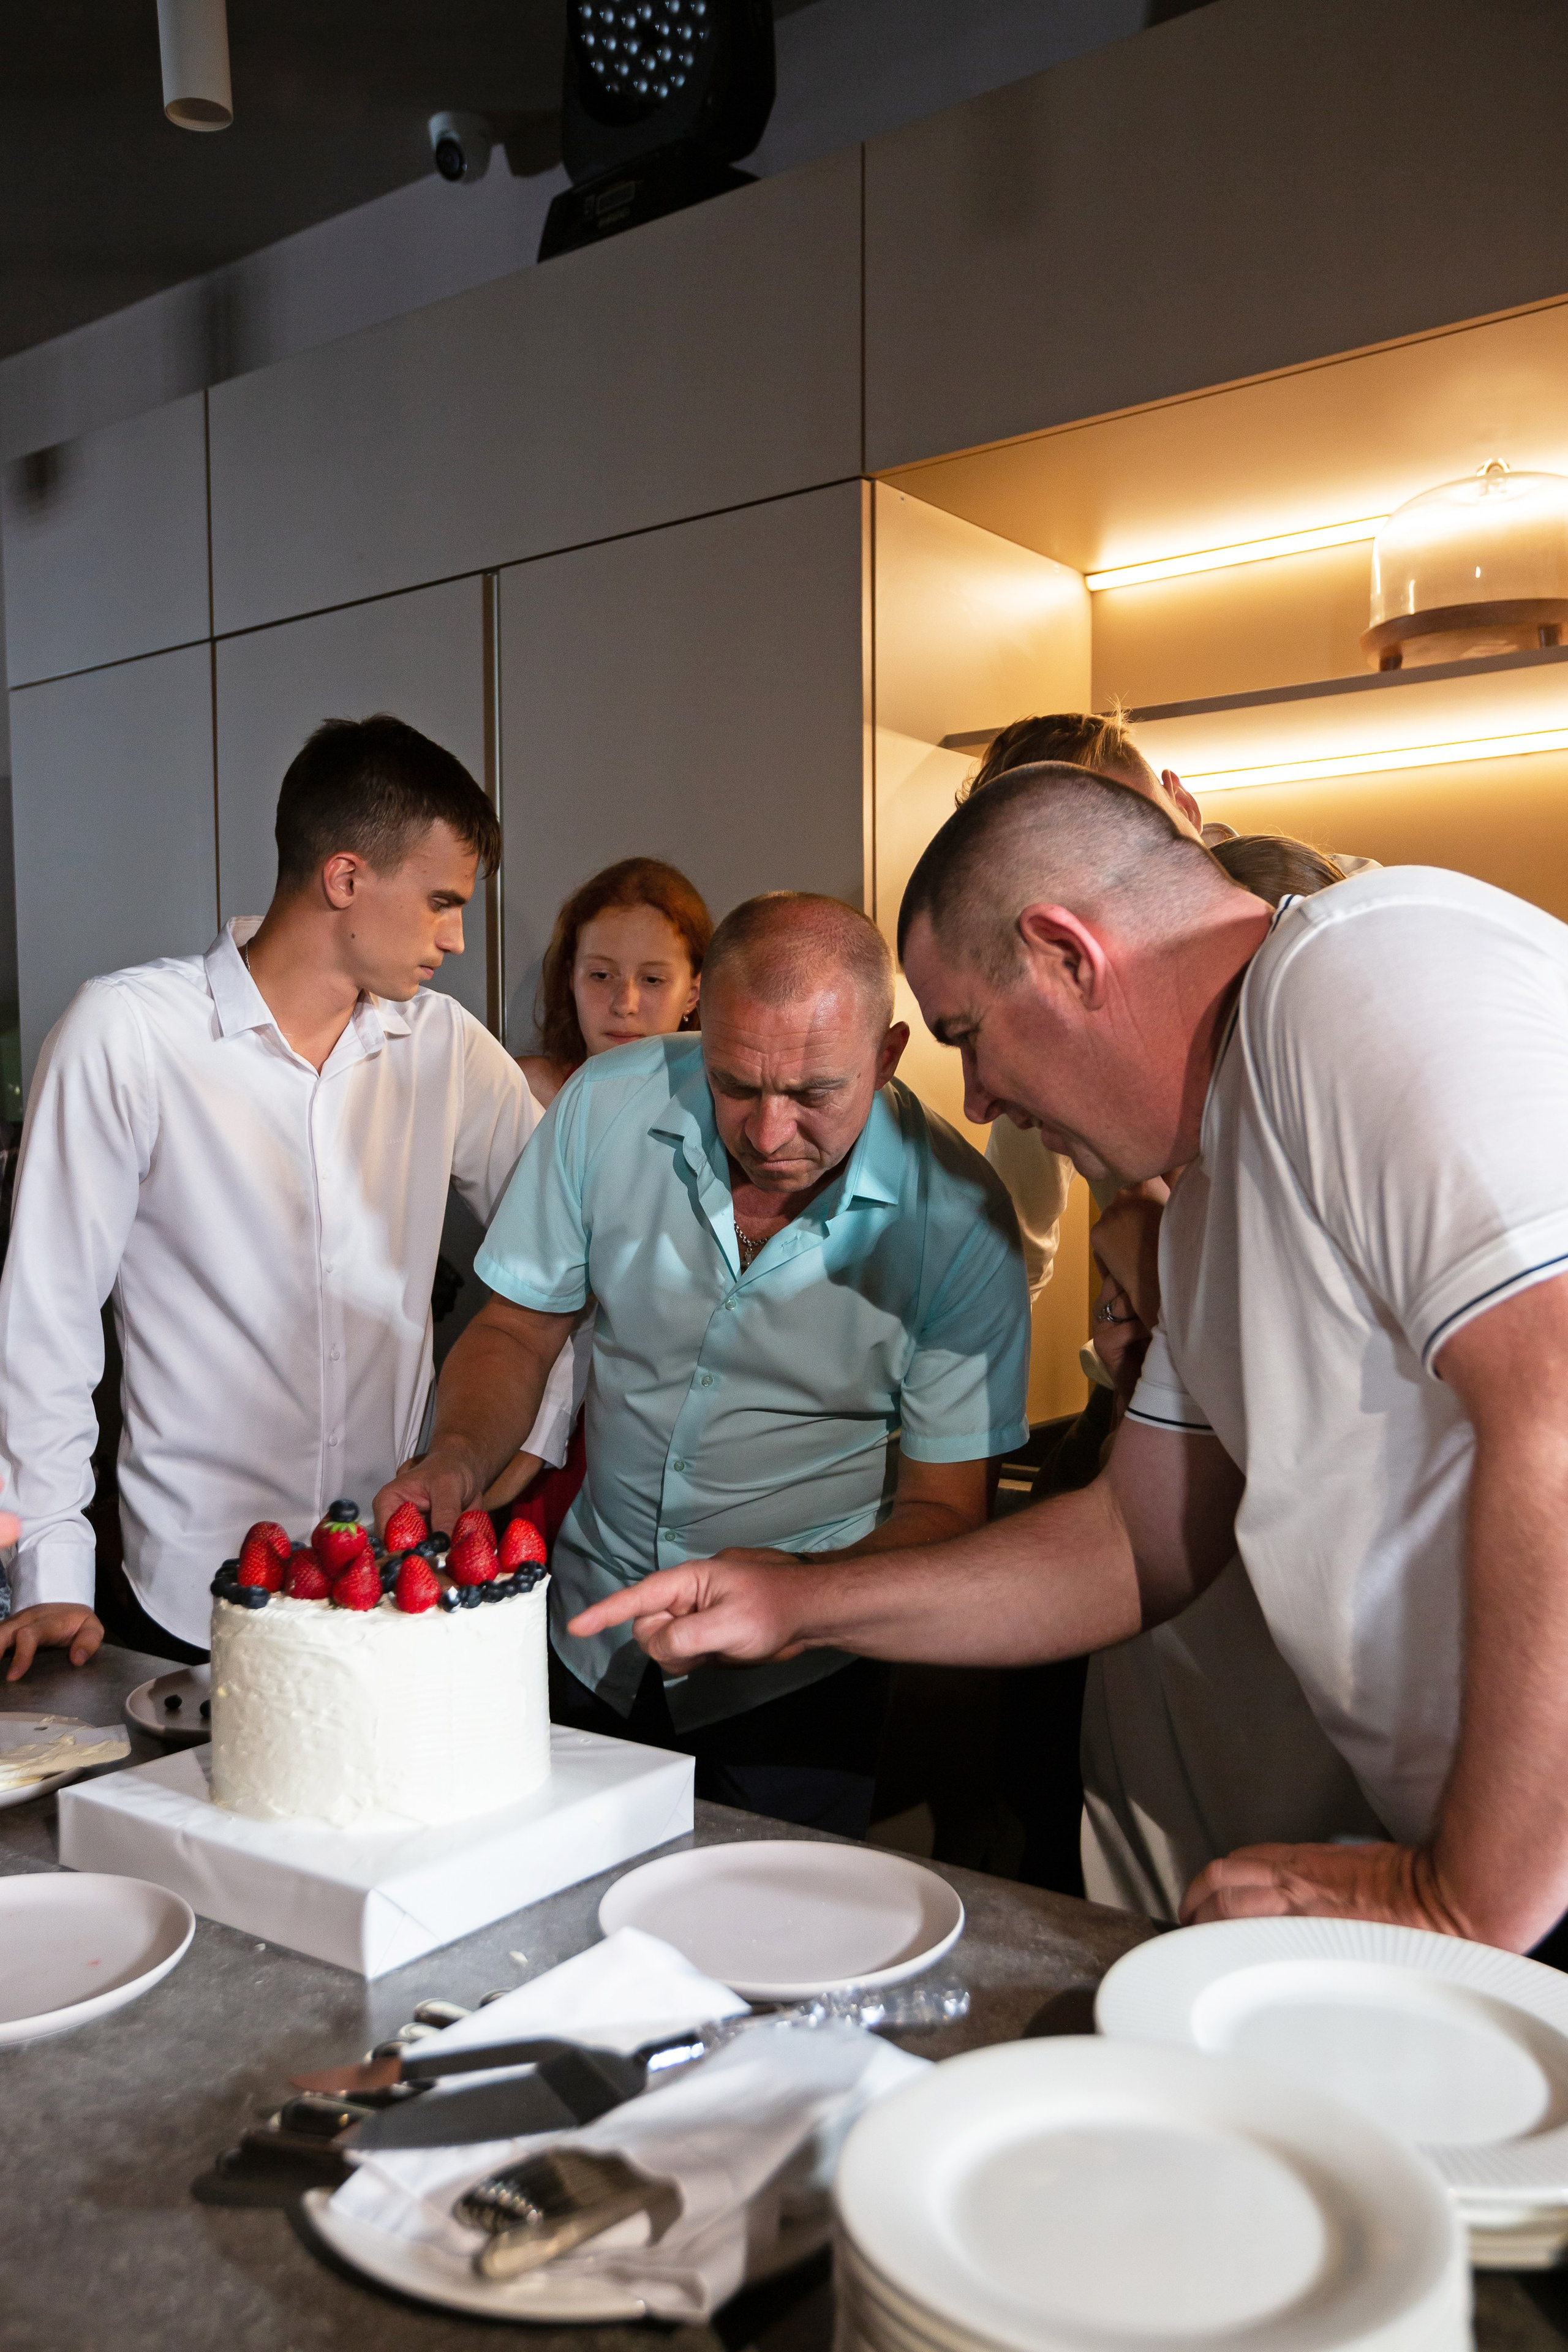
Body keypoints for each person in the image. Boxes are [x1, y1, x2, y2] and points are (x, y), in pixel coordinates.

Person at [570, 767, 1568, 1956]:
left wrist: (1455, 1897)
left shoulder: (1357, 974)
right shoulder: (1201, 1214)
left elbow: (1552, 1398)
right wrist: (794, 1597)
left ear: (1066, 954)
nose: (980, 1103)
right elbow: (1132, 1545)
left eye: (966, 1040)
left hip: (1517, 1878)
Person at [375, 891, 1031, 1837]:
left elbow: (944, 1510)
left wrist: (798, 1597)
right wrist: (457, 1462)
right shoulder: (607, 1106)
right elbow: (519, 1331)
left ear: (887, 1056)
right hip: (586, 1641)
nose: (768, 1136)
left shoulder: (963, 1224)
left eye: (814, 1094)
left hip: (799, 1691)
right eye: (735, 1084)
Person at [0, 715, 572, 1679]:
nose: (456, 937)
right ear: (345, 878)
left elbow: (568, 1252)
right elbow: (45, 1318)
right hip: (191, 1587)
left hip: (392, 1588)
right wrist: (52, 1567)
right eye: (439, 901)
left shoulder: (446, 1047)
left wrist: (535, 1434)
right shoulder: (128, 1034)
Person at [488, 858, 713, 1532]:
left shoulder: (725, 1117)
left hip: (653, 1418)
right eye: (601, 975)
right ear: (570, 979)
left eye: (653, 979)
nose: (624, 1003)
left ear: (695, 990)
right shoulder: (514, 1089)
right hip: (514, 1390)